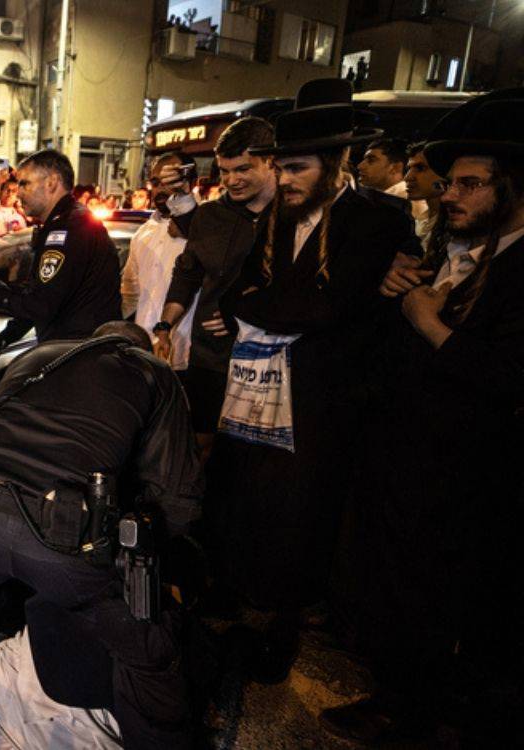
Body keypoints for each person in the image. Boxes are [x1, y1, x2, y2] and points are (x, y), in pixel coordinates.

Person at [325, 92, 524, 745]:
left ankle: (411, 715)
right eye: (449, 182)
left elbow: (507, 377)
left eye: (470, 184)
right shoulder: (454, 251)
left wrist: (432, 325)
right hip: (406, 471)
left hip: (467, 484)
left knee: (439, 610)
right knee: (398, 597)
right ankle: (397, 696)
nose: (448, 195)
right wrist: (394, 300)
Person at [206, 79, 420, 681]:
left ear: (336, 164)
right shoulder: (278, 216)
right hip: (260, 392)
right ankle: (239, 597)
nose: (286, 179)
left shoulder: (378, 219)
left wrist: (263, 307)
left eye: (296, 168)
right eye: (282, 166)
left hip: (328, 402)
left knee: (304, 518)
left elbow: (331, 307)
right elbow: (240, 287)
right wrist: (273, 303)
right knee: (246, 499)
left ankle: (284, 627)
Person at [0, 329, 203, 747]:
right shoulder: (155, 373)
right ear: (138, 348)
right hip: (63, 542)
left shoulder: (41, 354)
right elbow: (179, 500)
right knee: (149, 649)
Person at [154, 116, 277, 449]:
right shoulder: (210, 216)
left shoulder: (293, 216)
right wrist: (165, 325)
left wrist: (242, 312)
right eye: (224, 171)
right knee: (200, 444)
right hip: (210, 359)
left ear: (270, 161)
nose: (232, 181)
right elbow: (188, 274)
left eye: (243, 169)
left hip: (271, 362)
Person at [0, 148, 122, 352]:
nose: (18, 192)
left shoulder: (69, 228)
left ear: (52, 183)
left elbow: (40, 305)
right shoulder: (65, 223)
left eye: (25, 183)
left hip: (78, 355)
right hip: (75, 350)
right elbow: (41, 297)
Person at [121, 152, 198, 370]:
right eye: (156, 182)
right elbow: (130, 295)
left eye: (169, 181)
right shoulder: (142, 235)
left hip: (189, 355)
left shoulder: (205, 225)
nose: (161, 189)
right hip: (146, 354)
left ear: (190, 182)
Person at [402, 141, 445, 242]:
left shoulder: (456, 223)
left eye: (420, 168)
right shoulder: (420, 219)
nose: (407, 177)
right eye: (409, 168)